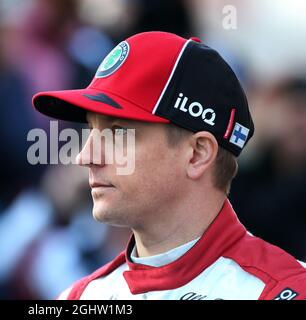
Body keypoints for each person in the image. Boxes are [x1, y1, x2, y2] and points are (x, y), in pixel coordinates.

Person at [32, 31, 306, 300]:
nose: (85, 157)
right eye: (91, 130)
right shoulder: (79, 297)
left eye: (117, 132)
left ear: (197, 154)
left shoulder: (284, 291)